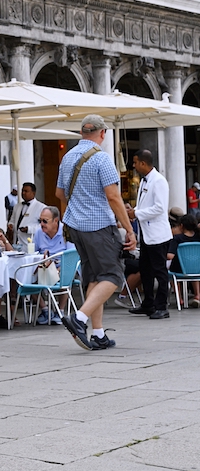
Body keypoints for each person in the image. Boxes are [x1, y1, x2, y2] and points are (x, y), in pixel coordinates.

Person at [56, 114, 136, 351]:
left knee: (94, 278)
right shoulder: (102, 158)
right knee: (113, 276)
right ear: (103, 133)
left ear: (82, 133)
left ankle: (99, 333)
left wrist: (79, 205)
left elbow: (60, 194)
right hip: (99, 226)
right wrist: (129, 229)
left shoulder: (67, 157)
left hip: (75, 227)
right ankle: (79, 318)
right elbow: (113, 196)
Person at [127, 150, 171, 320]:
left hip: (158, 235)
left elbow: (159, 208)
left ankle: (162, 306)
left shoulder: (158, 181)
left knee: (159, 271)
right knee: (145, 269)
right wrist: (134, 211)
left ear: (143, 163)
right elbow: (145, 205)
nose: (134, 166)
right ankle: (148, 303)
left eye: (135, 162)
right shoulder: (145, 180)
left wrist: (136, 214)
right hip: (146, 235)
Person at [33, 206, 74, 324]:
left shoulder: (67, 231)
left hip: (62, 266)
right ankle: (45, 310)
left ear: (56, 221)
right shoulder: (38, 233)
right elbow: (34, 254)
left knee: (65, 273)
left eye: (45, 221)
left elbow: (71, 256)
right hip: (43, 267)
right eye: (40, 220)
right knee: (25, 279)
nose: (41, 224)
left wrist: (59, 269)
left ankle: (60, 311)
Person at [167, 214, 200, 308]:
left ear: (181, 226)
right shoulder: (198, 237)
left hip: (179, 270)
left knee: (171, 272)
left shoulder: (177, 239)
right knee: (193, 269)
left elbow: (170, 256)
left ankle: (179, 298)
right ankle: (197, 295)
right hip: (197, 269)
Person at [8, 182, 46, 248]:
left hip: (31, 243)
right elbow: (12, 220)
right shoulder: (17, 206)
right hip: (16, 243)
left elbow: (45, 226)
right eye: (22, 191)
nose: (23, 193)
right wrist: (11, 225)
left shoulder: (42, 207)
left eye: (26, 191)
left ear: (33, 193)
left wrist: (29, 229)